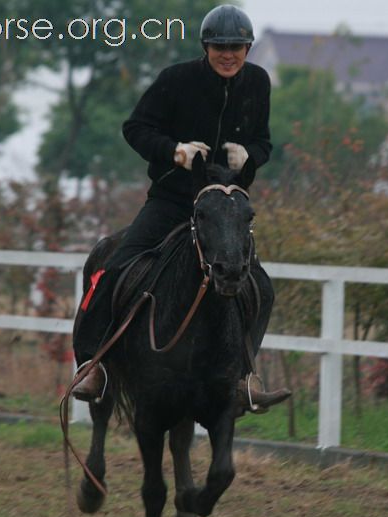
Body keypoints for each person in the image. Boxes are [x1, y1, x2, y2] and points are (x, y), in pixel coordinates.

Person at [71, 4, 291, 414]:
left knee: (259, 284)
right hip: (172, 201)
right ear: (206, 46)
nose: (229, 54)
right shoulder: (175, 80)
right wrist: (174, 151)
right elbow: (135, 129)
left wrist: (251, 156)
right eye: (220, 46)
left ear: (248, 48)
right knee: (115, 267)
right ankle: (92, 364)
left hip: (225, 208)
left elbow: (264, 141)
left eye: (238, 47)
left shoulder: (259, 82)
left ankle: (245, 375)